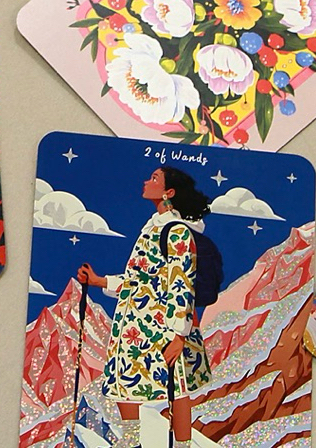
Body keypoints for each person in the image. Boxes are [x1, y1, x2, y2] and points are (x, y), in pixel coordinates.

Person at [78, 166, 212, 448]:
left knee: (177, 386)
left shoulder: (176, 232)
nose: (145, 181)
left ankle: (183, 445)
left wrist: (179, 335)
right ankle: (132, 441)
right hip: (135, 323)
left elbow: (182, 283)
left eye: (154, 179)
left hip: (162, 324)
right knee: (124, 380)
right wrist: (99, 281)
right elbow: (138, 280)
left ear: (168, 192)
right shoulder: (152, 228)